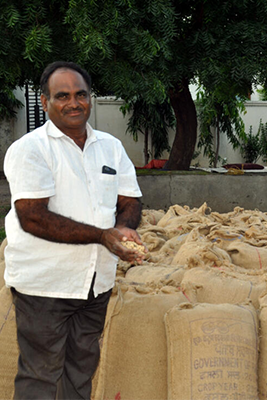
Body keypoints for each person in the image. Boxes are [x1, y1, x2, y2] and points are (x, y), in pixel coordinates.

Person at [3, 61, 145, 399]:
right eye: (62, 96)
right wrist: (102, 235)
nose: (73, 103)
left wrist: (123, 229)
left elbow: (131, 199)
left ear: (90, 98)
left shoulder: (110, 146)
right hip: (45, 286)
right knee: (40, 375)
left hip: (95, 284)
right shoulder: (30, 149)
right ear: (44, 101)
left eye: (80, 94)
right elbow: (33, 217)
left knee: (81, 371)